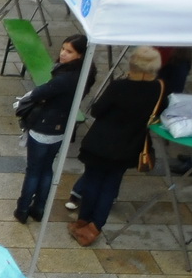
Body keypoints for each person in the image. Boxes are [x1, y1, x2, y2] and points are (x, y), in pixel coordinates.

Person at [68, 47, 165, 247]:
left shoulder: (119, 86)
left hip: (101, 143)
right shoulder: (158, 88)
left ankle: (82, 220)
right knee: (110, 186)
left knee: (93, 182)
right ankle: (95, 228)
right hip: (129, 146)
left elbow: (97, 110)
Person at [13, 35, 90, 224]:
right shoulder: (86, 73)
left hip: (44, 126)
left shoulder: (64, 78)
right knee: (47, 168)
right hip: (62, 128)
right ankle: (39, 208)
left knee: (34, 170)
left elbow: (40, 93)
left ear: (80, 55)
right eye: (63, 48)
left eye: (69, 51)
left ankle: (23, 209)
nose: (63, 53)